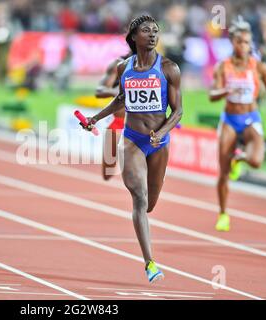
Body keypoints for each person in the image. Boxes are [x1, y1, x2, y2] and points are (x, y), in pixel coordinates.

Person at [81, 15, 183, 283]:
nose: (152, 35)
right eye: (146, 30)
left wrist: (160, 133)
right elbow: (121, 99)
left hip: (158, 143)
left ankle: (146, 228)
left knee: (149, 205)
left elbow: (178, 111)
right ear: (133, 37)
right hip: (133, 140)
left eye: (156, 31)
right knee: (139, 197)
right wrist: (96, 118)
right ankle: (150, 263)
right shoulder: (123, 68)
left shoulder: (169, 68)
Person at [209, 17, 266, 232]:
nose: (245, 46)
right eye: (241, 41)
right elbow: (212, 94)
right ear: (232, 41)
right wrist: (225, 91)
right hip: (230, 120)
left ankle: (239, 158)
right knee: (223, 172)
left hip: (251, 118)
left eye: (248, 42)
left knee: (257, 161)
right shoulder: (223, 67)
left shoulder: (258, 66)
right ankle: (223, 214)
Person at [95, 51, 132, 180]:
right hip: (118, 123)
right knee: (108, 172)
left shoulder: (155, 65)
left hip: (140, 124)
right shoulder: (117, 64)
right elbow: (99, 91)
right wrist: (116, 91)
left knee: (137, 171)